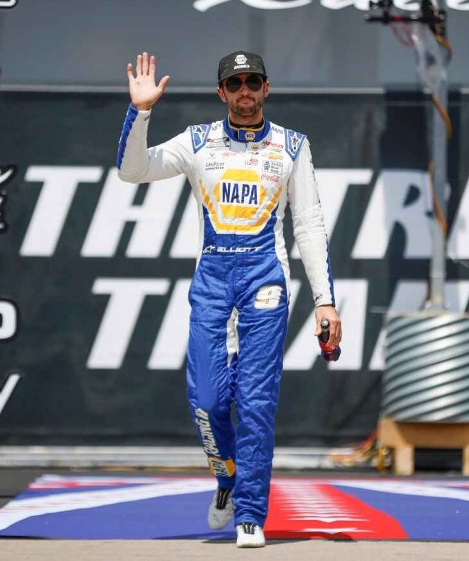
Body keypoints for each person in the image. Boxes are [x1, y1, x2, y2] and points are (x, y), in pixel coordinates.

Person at [116, 51, 342, 548]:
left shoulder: (292, 146)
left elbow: (308, 224)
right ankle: (227, 476)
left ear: (267, 88)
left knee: (257, 403)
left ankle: (250, 514)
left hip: (266, 279)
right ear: (221, 92)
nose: (244, 91)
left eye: (253, 81)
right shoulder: (199, 141)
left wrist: (325, 301)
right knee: (209, 400)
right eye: (234, 83)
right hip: (213, 279)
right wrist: (141, 112)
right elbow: (132, 171)